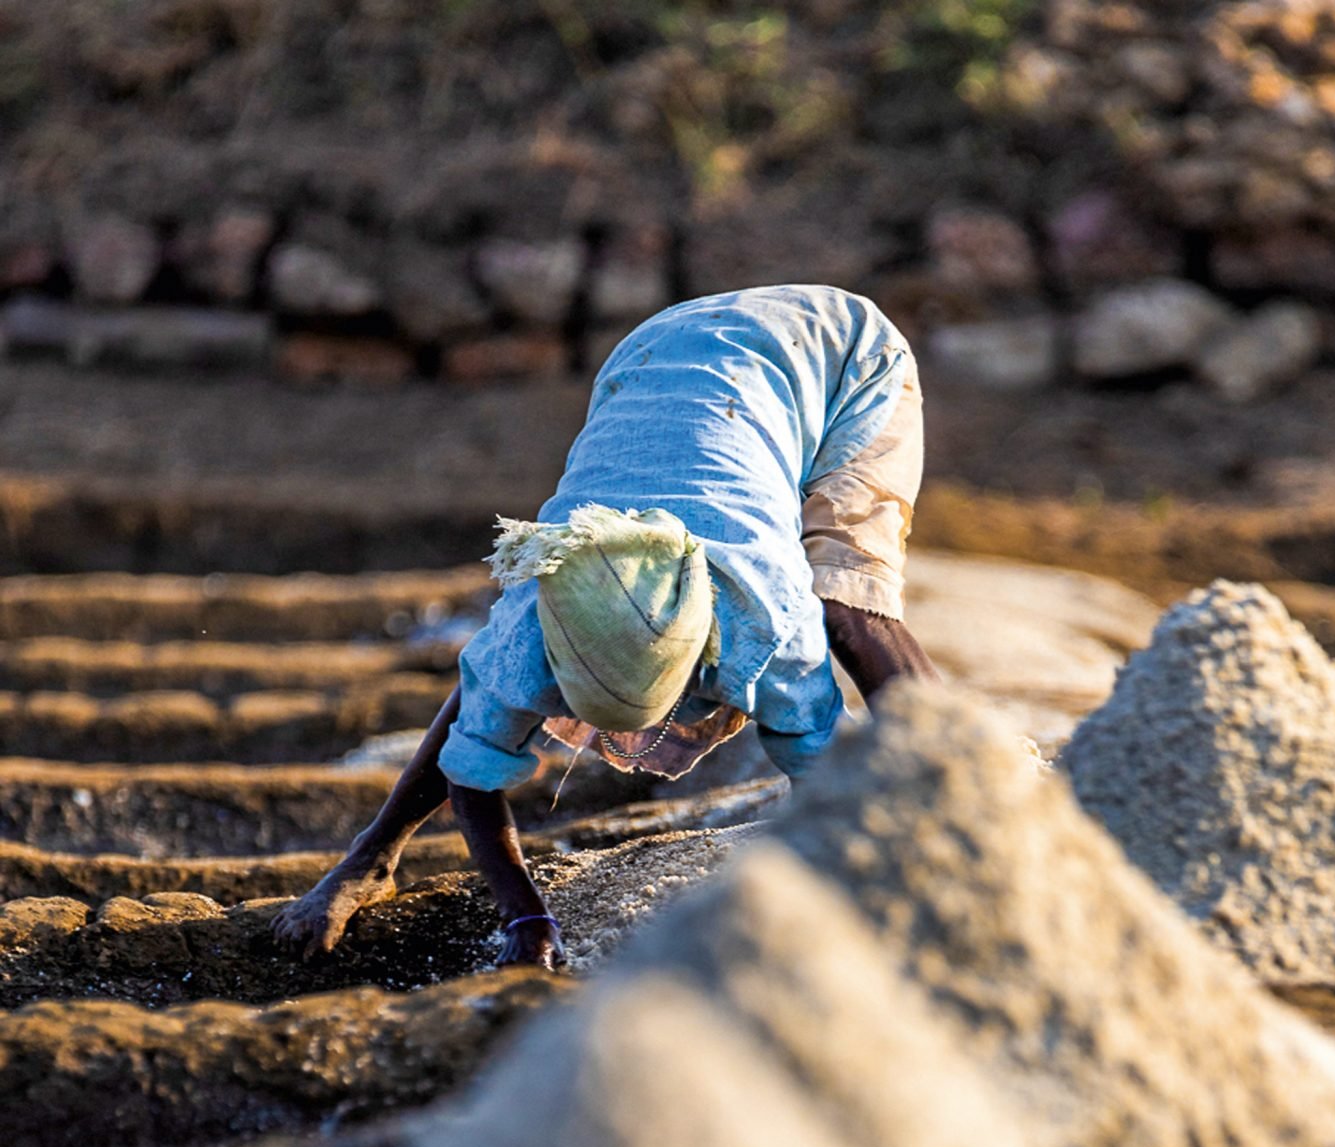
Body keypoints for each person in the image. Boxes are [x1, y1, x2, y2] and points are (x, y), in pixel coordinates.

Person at [274, 283, 938, 972]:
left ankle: (955, 770)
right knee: (495, 687)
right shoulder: (550, 593)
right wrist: (526, 920)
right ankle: (370, 857)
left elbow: (820, 778)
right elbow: (471, 768)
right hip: (655, 354)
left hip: (834, 351)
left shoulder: (766, 625)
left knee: (847, 601)